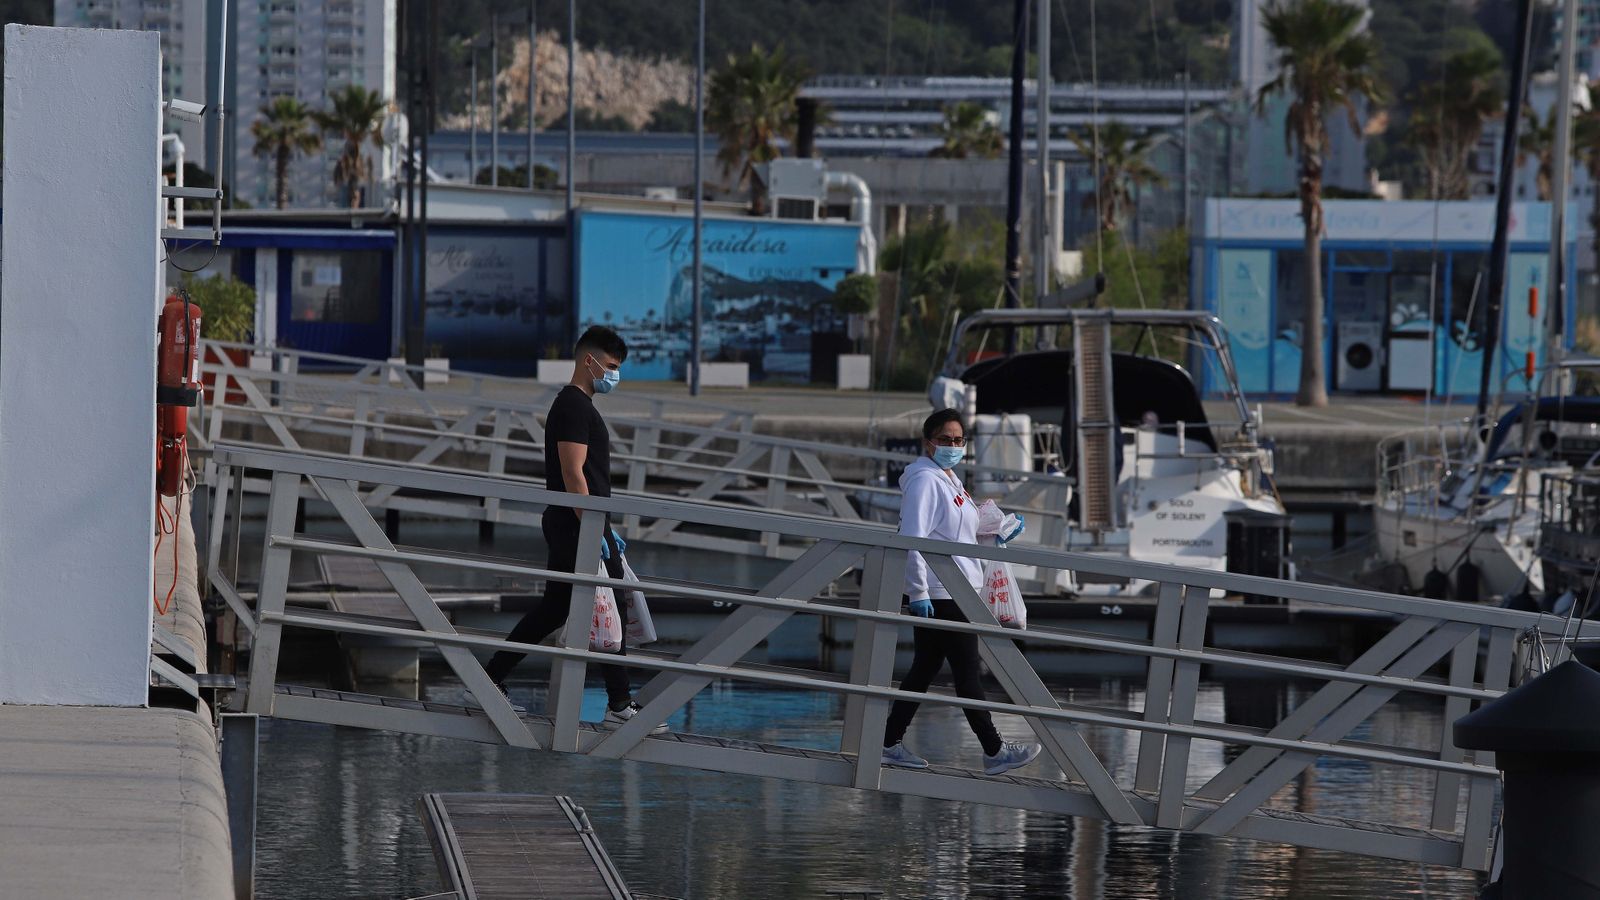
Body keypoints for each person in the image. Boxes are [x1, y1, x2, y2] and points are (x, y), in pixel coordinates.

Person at [476, 325, 664, 732]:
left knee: (555, 608)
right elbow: (573, 473)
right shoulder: (574, 407)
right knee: (611, 604)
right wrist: (594, 527)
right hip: (579, 524)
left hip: (576, 522)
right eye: (610, 366)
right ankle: (619, 704)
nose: (614, 375)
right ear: (588, 361)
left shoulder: (577, 406)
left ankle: (489, 679)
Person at [880, 408, 1042, 776]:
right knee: (967, 671)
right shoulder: (925, 481)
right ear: (928, 443)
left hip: (956, 588)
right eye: (945, 439)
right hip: (943, 592)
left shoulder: (949, 479)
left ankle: (888, 743)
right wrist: (917, 591)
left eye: (958, 440)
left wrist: (997, 528)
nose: (953, 446)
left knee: (925, 668)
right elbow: (914, 538)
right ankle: (994, 750)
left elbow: (957, 531)